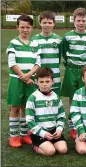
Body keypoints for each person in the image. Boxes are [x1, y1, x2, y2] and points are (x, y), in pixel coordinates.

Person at [60, 8, 86, 139]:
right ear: (74, 21)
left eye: (84, 20)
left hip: (85, 69)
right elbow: (64, 52)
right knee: (72, 98)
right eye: (78, 20)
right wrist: (70, 63)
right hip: (71, 70)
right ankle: (73, 126)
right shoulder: (68, 36)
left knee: (85, 97)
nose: (81, 23)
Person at [6, 15, 41, 148]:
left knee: (26, 108)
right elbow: (12, 63)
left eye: (28, 27)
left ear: (32, 28)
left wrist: (30, 75)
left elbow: (38, 63)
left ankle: (25, 134)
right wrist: (22, 75)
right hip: (17, 80)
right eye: (22, 27)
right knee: (15, 107)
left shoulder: (34, 44)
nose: (25, 30)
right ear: (17, 27)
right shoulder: (13, 43)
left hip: (30, 80)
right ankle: (14, 137)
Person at [26, 68, 67, 156]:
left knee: (63, 150)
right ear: (36, 82)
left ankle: (49, 143)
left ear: (53, 81)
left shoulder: (56, 97)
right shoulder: (33, 98)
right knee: (50, 152)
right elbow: (29, 120)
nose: (44, 84)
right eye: (41, 82)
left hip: (53, 131)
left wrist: (59, 130)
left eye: (47, 81)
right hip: (39, 132)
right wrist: (42, 133)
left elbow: (61, 116)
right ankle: (35, 145)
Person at [32, 11, 62, 95]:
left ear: (54, 23)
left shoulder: (59, 40)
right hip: (40, 76)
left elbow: (59, 57)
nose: (47, 25)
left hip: (55, 75)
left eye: (49, 22)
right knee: (39, 101)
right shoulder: (34, 40)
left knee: (55, 100)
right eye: (44, 22)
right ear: (40, 23)